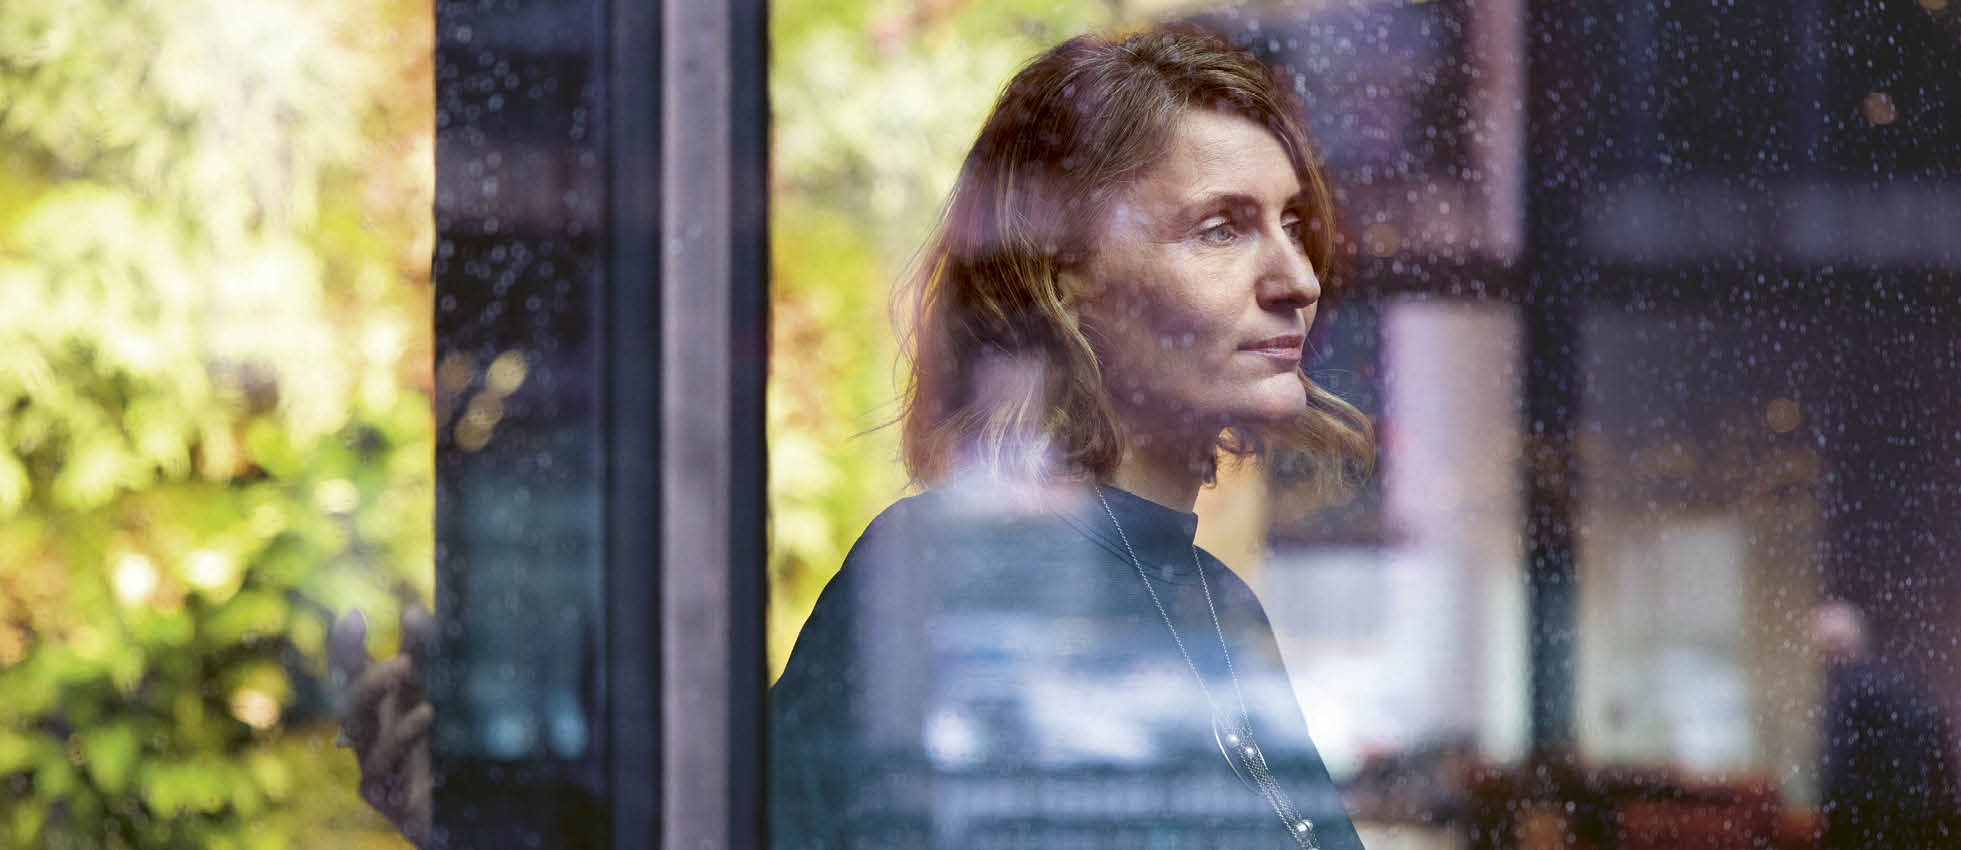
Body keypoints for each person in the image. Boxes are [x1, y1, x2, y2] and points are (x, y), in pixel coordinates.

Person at [345, 25, 1374, 850]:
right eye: (1220, 227)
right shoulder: (943, 570)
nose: (1297, 276)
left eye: (1291, 222)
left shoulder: (1219, 605)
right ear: (1064, 280)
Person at [1808, 600, 1958, 850]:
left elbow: (1839, 766)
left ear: (1830, 647)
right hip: (1907, 819)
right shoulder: (1894, 680)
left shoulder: (1845, 690)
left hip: (1863, 821)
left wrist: (1833, 816)